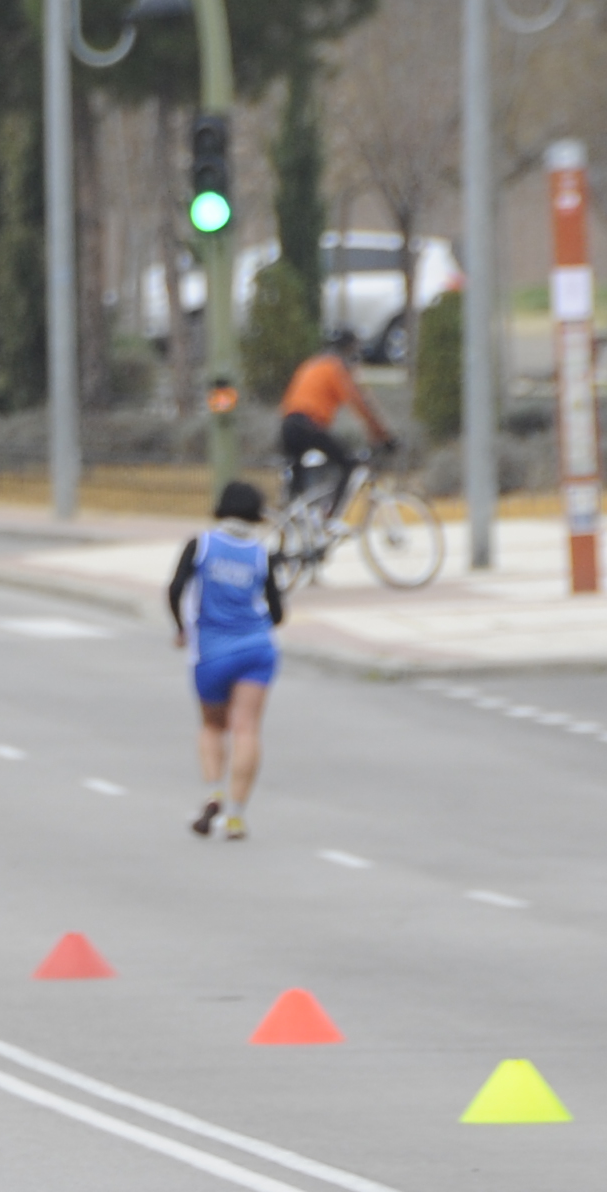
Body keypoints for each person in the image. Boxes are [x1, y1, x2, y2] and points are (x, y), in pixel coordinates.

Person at [167, 480, 287, 842]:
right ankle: (236, 816)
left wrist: (181, 628)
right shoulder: (262, 554)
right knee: (246, 729)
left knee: (212, 726)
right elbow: (277, 612)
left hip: (211, 650)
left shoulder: (200, 545)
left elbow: (175, 589)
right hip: (257, 648)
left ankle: (213, 793)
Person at [275, 328, 391, 522]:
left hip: (289, 424)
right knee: (349, 463)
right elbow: (360, 403)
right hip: (308, 424)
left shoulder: (311, 364)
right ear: (348, 349)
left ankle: (294, 524)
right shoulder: (335, 367)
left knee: (298, 479)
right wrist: (383, 435)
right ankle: (331, 518)